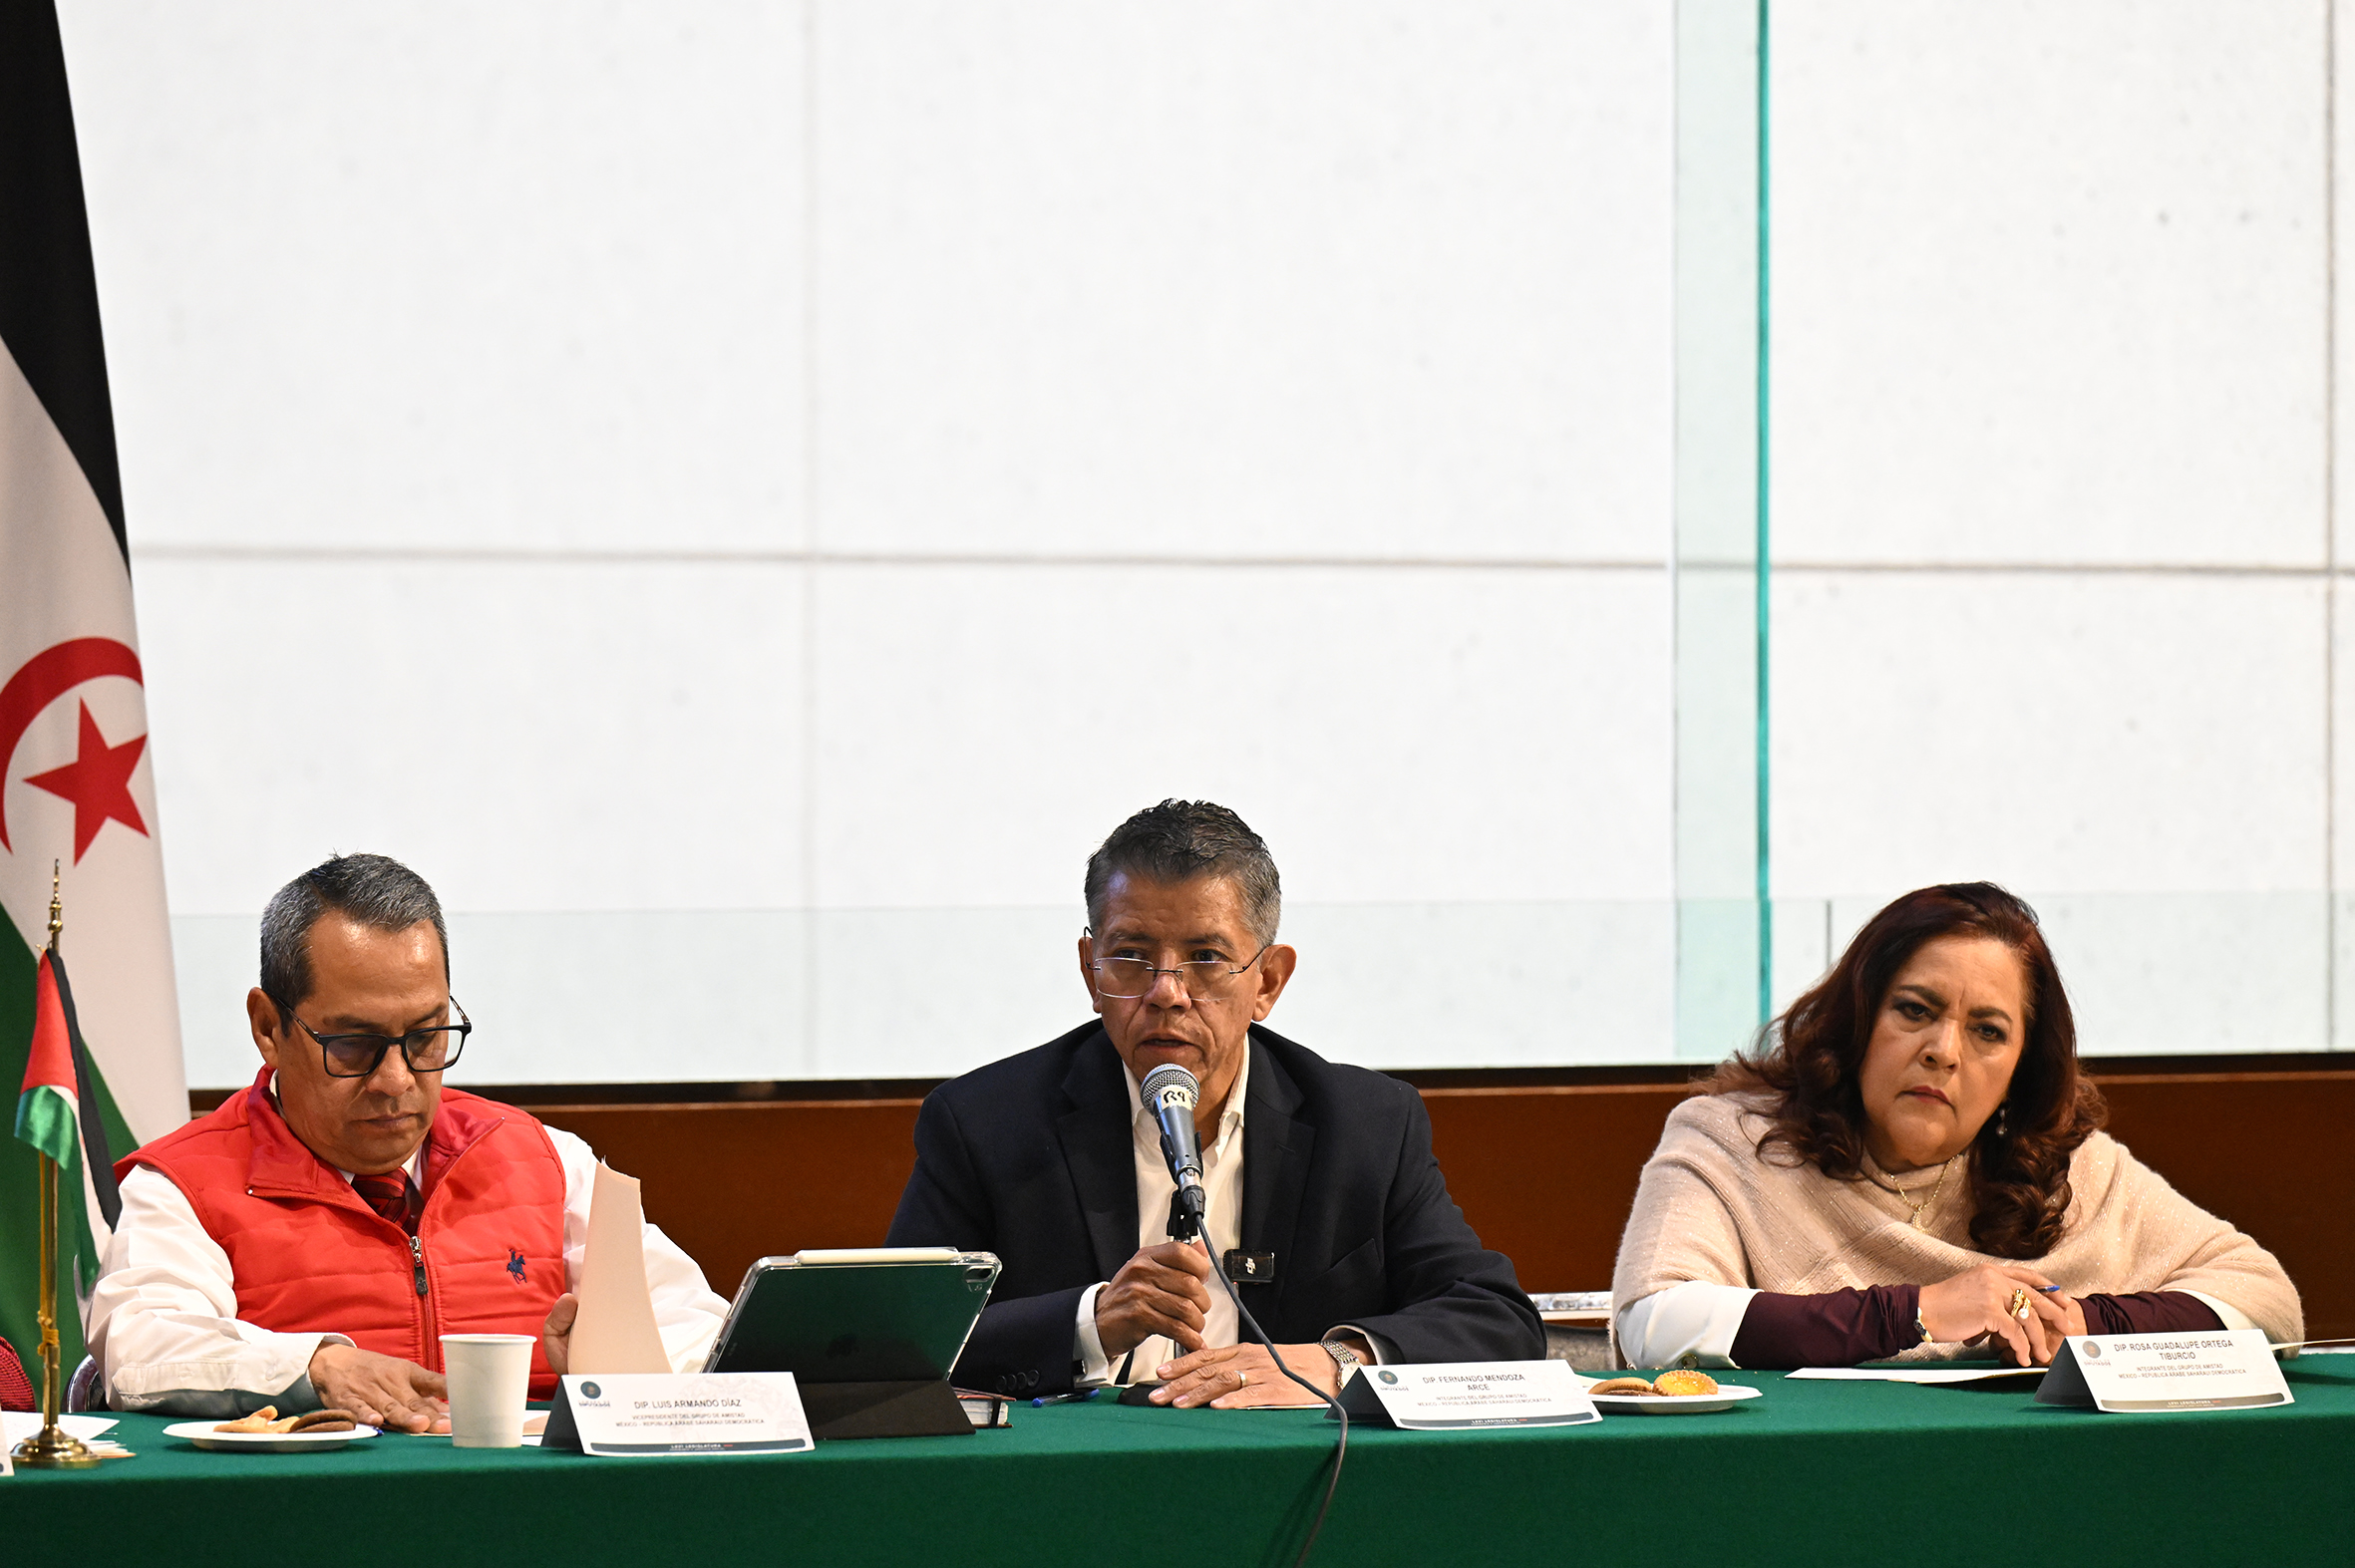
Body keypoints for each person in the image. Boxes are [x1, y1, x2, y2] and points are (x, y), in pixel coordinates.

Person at [886, 799, 1544, 1407]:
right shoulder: (985, 1124)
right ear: (1092, 970)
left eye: (1205, 957)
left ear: (1268, 981)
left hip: (1294, 1472)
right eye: (1131, 956)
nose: (1167, 992)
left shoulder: (1365, 1125)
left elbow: (1497, 1319)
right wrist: (1089, 1322)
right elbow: (896, 1342)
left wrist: (1337, 1360)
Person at [88, 853, 729, 1426]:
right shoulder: (184, 1187)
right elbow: (143, 1349)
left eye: (425, 1037)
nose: (396, 1081)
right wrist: (314, 1368)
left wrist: (615, 1374)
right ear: (267, 1027)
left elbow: (701, 1337)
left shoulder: (546, 1162)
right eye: (353, 1044)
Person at [1612, 882, 2302, 1370]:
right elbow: (1653, 1321)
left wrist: (2084, 1322)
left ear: (2019, 1070)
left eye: (1987, 1031)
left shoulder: (2072, 1169)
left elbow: (2269, 1301)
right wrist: (1917, 1311)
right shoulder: (1732, 1140)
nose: (1944, 1050)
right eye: (1915, 1010)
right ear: (1859, 1018)